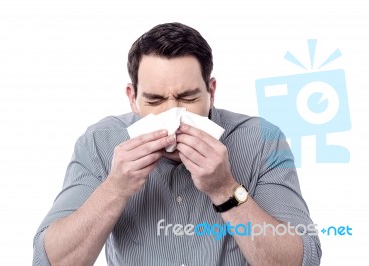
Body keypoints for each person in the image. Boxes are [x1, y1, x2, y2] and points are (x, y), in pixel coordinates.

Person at [33, 22, 321, 266]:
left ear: (211, 91)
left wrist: (225, 189)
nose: (173, 115)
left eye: (188, 98)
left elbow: (303, 258)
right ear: (132, 97)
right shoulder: (99, 142)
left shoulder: (261, 140)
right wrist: (115, 189)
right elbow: (49, 259)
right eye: (155, 101)